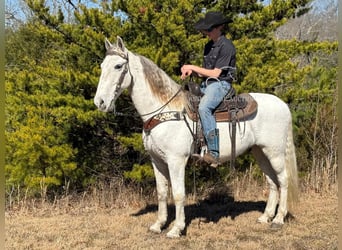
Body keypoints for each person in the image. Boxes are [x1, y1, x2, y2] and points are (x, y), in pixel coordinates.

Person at [181, 11, 236, 166]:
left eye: (210, 30)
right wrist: (193, 72)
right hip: (207, 83)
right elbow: (205, 73)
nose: (207, 33)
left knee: (204, 107)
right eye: (206, 30)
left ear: (220, 28)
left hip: (221, 84)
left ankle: (214, 152)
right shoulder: (208, 46)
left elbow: (216, 73)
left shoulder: (227, 46)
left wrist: (192, 66)